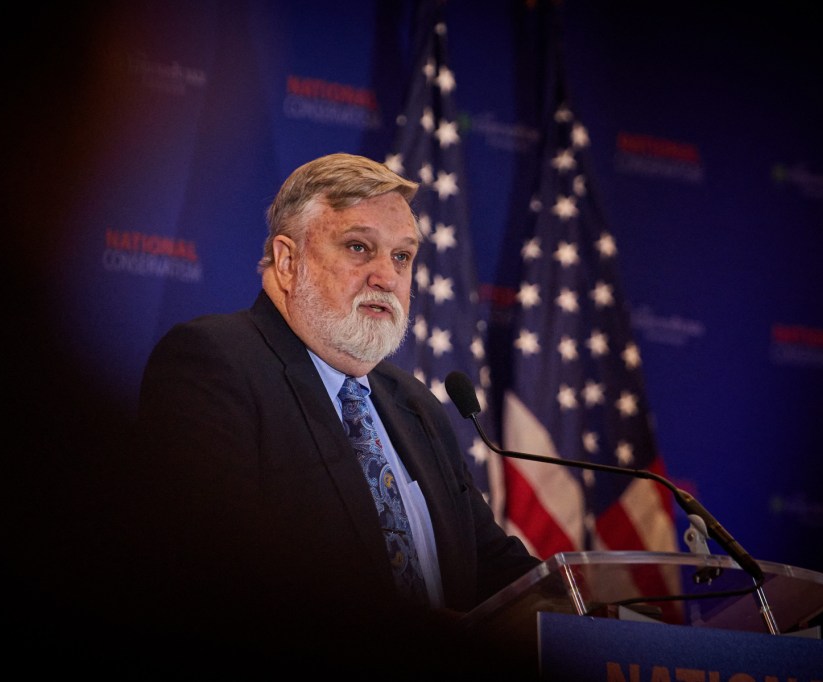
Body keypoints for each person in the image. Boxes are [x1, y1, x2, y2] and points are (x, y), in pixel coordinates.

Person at [135, 152, 541, 673]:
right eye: (358, 248)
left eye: (401, 257)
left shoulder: (415, 404)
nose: (385, 277)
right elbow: (211, 576)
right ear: (287, 262)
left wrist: (594, 612)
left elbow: (492, 569)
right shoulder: (214, 364)